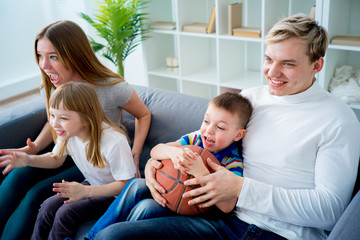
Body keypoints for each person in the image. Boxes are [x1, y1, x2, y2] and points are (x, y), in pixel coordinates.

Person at [94, 14, 360, 240]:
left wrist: (239, 188)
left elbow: (331, 211)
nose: (272, 72)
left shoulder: (338, 118)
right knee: (140, 199)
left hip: (274, 232)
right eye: (269, 59)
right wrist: (157, 162)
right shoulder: (251, 98)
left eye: (288, 64)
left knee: (113, 237)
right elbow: (202, 138)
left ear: (317, 65)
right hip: (224, 213)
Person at [0, 20, 150, 239]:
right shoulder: (52, 88)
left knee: (36, 196)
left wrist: (136, 151)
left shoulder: (110, 88)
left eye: (53, 56)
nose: (44, 65)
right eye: (40, 56)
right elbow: (55, 126)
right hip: (73, 151)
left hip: (99, 160)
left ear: (74, 54)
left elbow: (143, 114)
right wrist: (32, 151)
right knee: (15, 177)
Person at [83, 92, 253, 240]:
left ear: (238, 134)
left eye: (220, 127)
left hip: (197, 211)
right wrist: (173, 153)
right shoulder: (195, 139)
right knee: (136, 187)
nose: (209, 130)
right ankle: (92, 237)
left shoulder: (233, 162)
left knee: (146, 208)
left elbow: (227, 207)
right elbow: (156, 151)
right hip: (170, 195)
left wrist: (201, 172)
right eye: (206, 121)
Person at [0, 81, 137, 239]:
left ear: (86, 118)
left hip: (115, 197)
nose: (54, 123)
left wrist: (86, 192)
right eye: (52, 115)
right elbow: (56, 158)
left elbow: (126, 185)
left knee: (65, 213)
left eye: (63, 118)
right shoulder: (67, 133)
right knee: (47, 206)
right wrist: (28, 160)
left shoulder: (113, 141)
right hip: (93, 184)